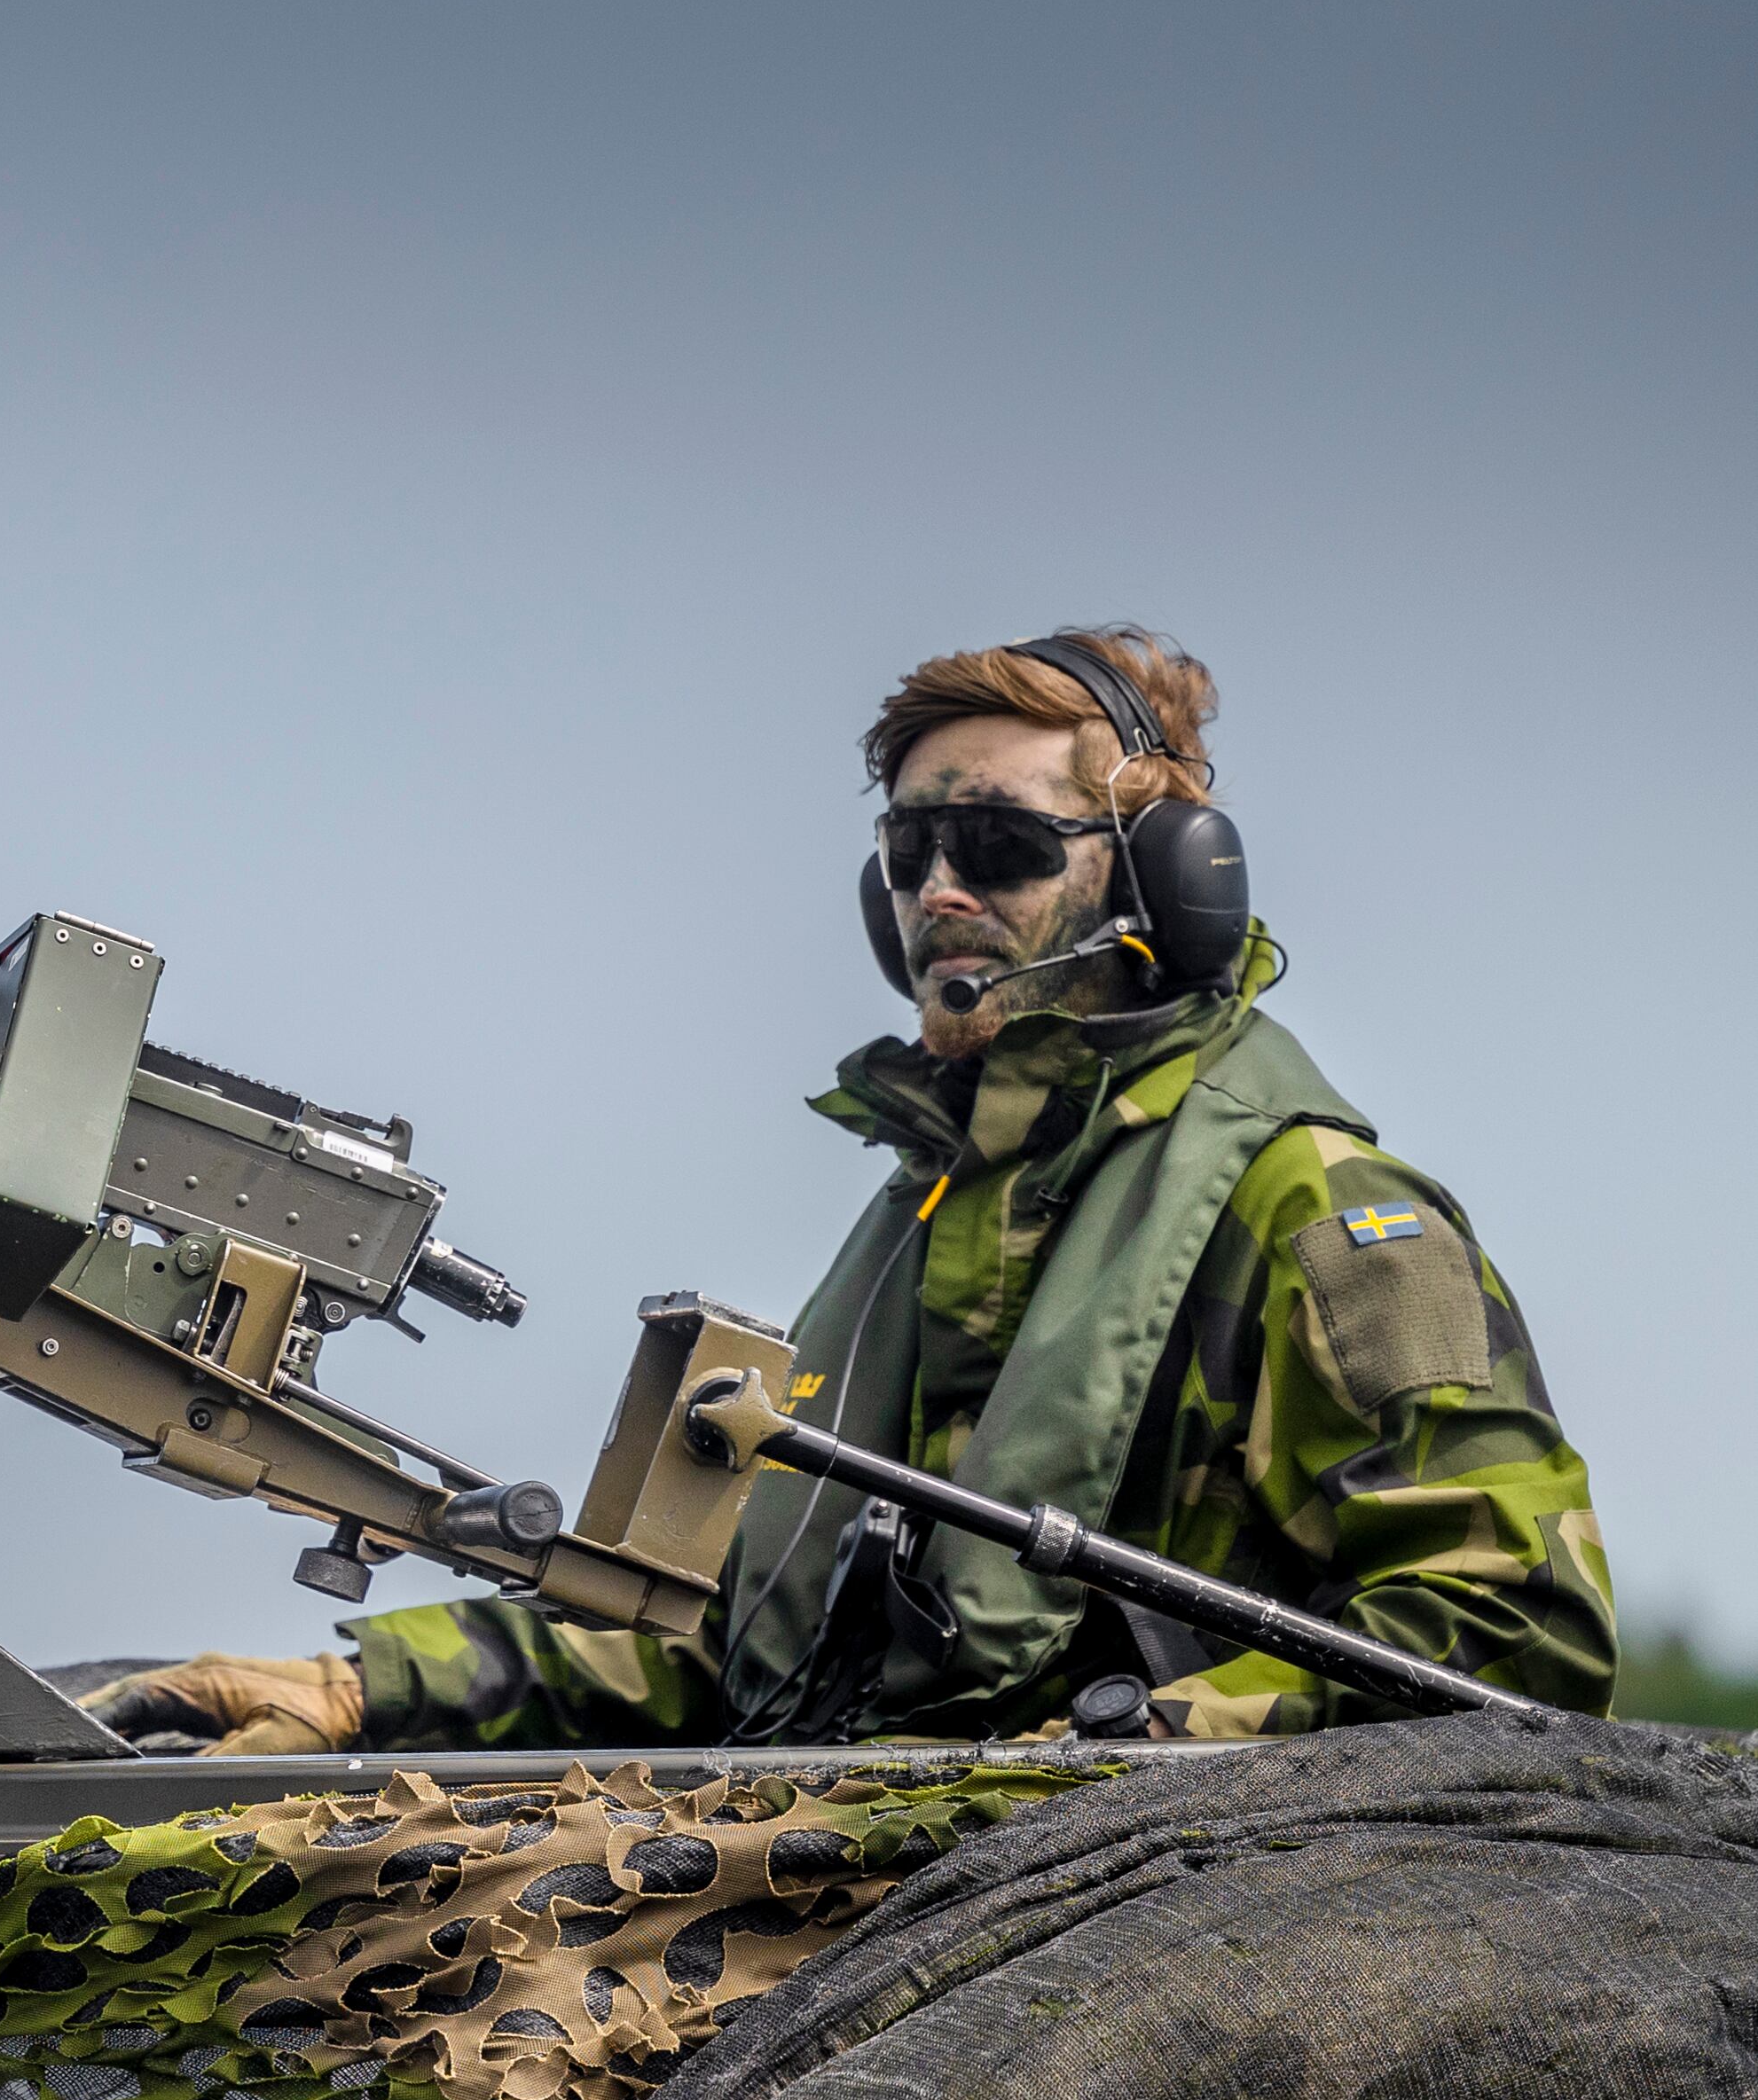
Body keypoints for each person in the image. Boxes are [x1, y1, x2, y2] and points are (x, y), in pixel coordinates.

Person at [91, 625, 1612, 1754]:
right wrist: (361, 1690)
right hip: (881, 1871)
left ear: (1168, 886)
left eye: (1004, 846)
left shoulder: (1327, 1222)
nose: (942, 891)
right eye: (912, 849)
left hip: (1148, 1921)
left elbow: (1511, 1645)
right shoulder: (931, 1215)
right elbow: (739, 1664)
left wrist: (1130, 1757)